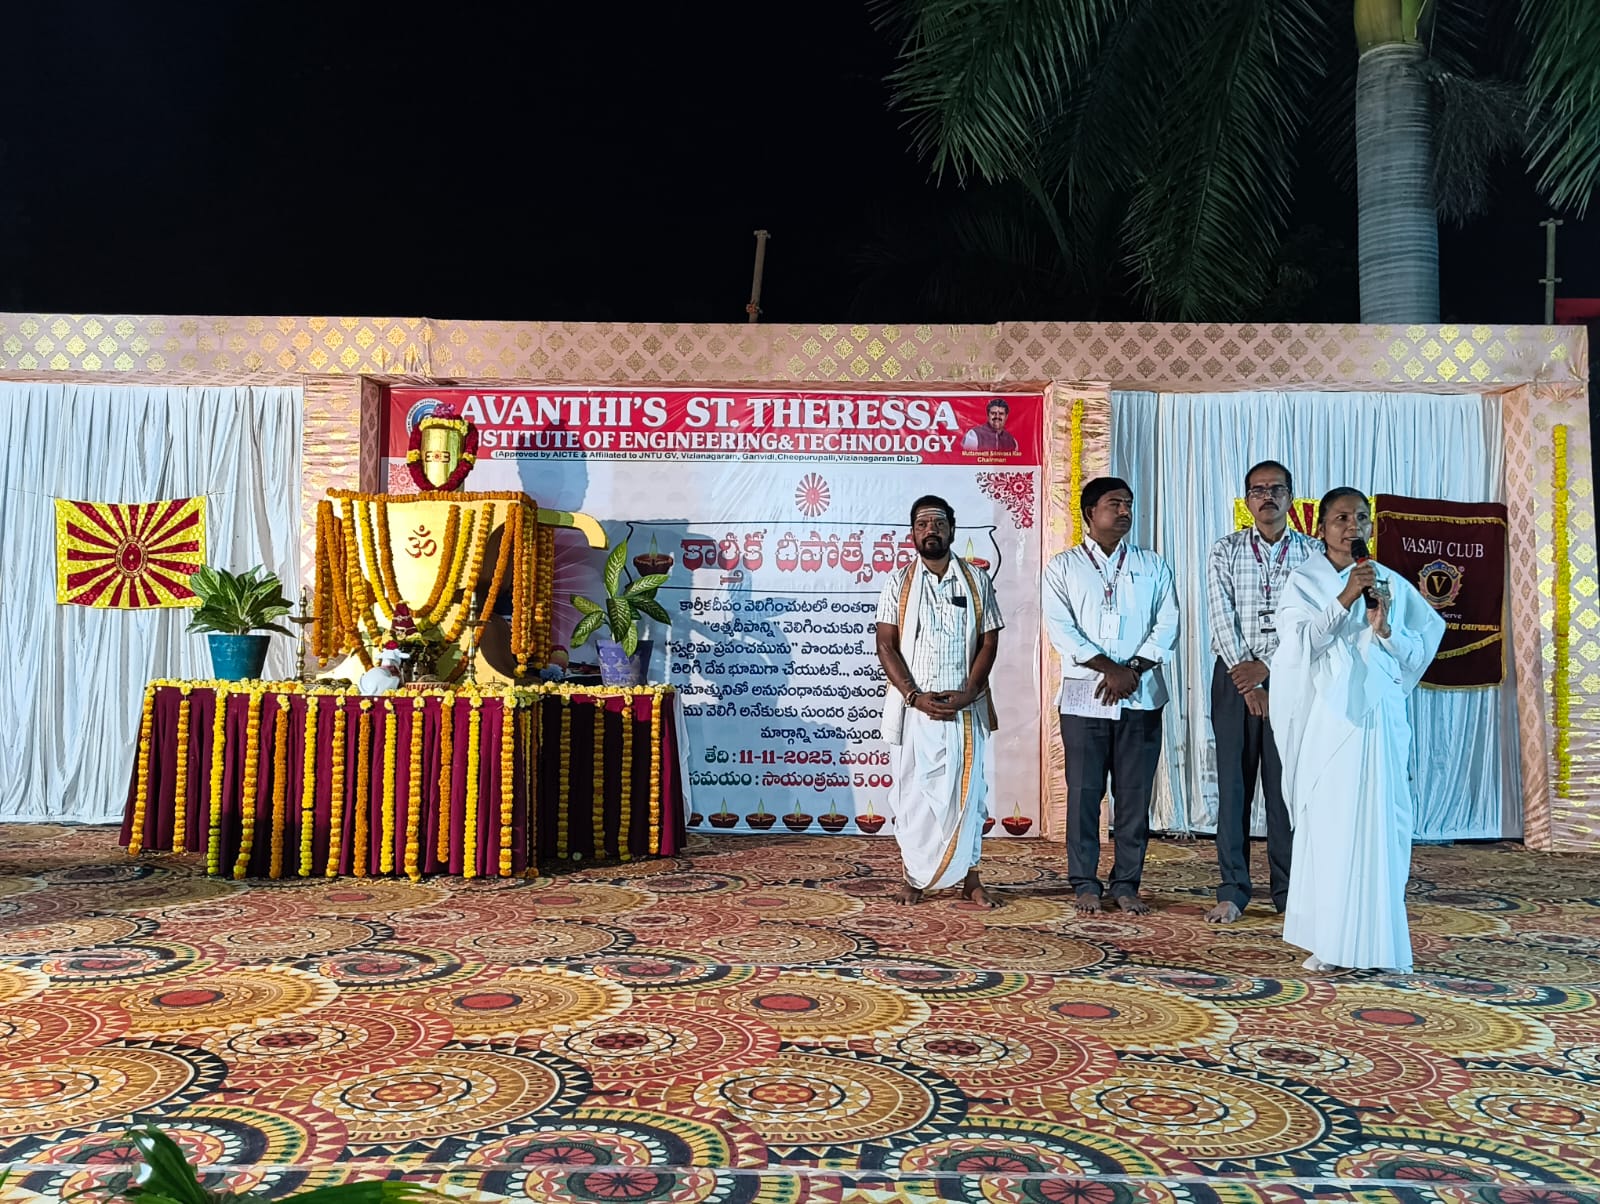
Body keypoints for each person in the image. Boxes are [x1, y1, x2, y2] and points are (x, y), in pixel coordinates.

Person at [1270, 488, 1445, 974]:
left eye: (1361, 518)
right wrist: (1345, 596)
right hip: (1332, 717)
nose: (1353, 527)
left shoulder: (1388, 581)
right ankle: (1330, 941)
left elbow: (1416, 653)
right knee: (1333, 824)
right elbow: (1299, 647)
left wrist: (1386, 629)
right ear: (1321, 528)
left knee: (1384, 824)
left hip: (1382, 717)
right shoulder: (1304, 582)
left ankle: (1381, 944)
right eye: (1342, 518)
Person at [1042, 477, 1178, 915]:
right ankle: (1084, 882)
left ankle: (1126, 883)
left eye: (1128, 504)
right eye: (1114, 504)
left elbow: (1168, 623)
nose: (1124, 511)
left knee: (1134, 795)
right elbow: (1062, 630)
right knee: (1084, 793)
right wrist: (1109, 669)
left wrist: (1132, 669)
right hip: (1087, 696)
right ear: (1089, 513)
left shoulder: (1152, 565)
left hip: (1141, 695)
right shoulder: (1062, 568)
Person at [875, 494, 1004, 907]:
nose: (930, 530)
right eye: (922, 524)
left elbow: (988, 641)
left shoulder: (977, 580)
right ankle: (914, 877)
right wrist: (913, 696)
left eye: (938, 523)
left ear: (952, 528)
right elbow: (885, 645)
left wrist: (969, 692)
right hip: (915, 707)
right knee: (912, 796)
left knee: (969, 797)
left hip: (964, 709)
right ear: (912, 533)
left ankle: (971, 878)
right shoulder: (898, 582)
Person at [1203, 460, 1316, 923]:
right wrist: (1248, 680)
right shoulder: (1225, 550)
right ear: (1246, 499)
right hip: (1234, 680)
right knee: (1234, 788)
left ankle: (1290, 893)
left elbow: (1312, 621)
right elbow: (1220, 615)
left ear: (1291, 497)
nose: (1267, 497)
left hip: (1292, 679)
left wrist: (1268, 670)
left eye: (1276, 489)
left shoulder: (1313, 553)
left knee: (1285, 790)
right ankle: (1233, 890)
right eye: (1258, 490)